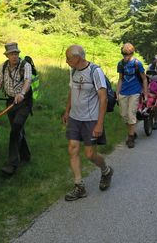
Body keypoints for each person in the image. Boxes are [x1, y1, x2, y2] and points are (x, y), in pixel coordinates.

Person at [62, 45, 113, 201]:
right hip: (75, 118)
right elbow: (72, 90)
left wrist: (99, 124)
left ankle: (106, 171)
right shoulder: (73, 70)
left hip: (91, 119)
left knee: (90, 154)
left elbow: (103, 98)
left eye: (68, 58)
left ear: (78, 57)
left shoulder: (95, 71)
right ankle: (79, 186)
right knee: (73, 149)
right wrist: (67, 110)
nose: (66, 61)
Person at [0, 42, 32, 176]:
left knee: (15, 128)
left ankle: (12, 163)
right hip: (11, 101)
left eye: (16, 53)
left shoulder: (25, 65)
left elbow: (28, 81)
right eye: (12, 54)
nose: (14, 56)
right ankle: (26, 156)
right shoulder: (4, 66)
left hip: (24, 101)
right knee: (18, 130)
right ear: (7, 55)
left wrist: (22, 94)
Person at [116, 43, 148, 148]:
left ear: (132, 53)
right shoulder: (121, 64)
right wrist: (117, 93)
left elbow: (144, 79)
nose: (126, 57)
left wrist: (145, 94)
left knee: (131, 114)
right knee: (124, 116)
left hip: (135, 92)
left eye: (128, 55)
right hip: (123, 92)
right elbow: (120, 79)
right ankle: (133, 132)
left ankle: (130, 138)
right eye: (124, 54)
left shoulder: (137, 64)